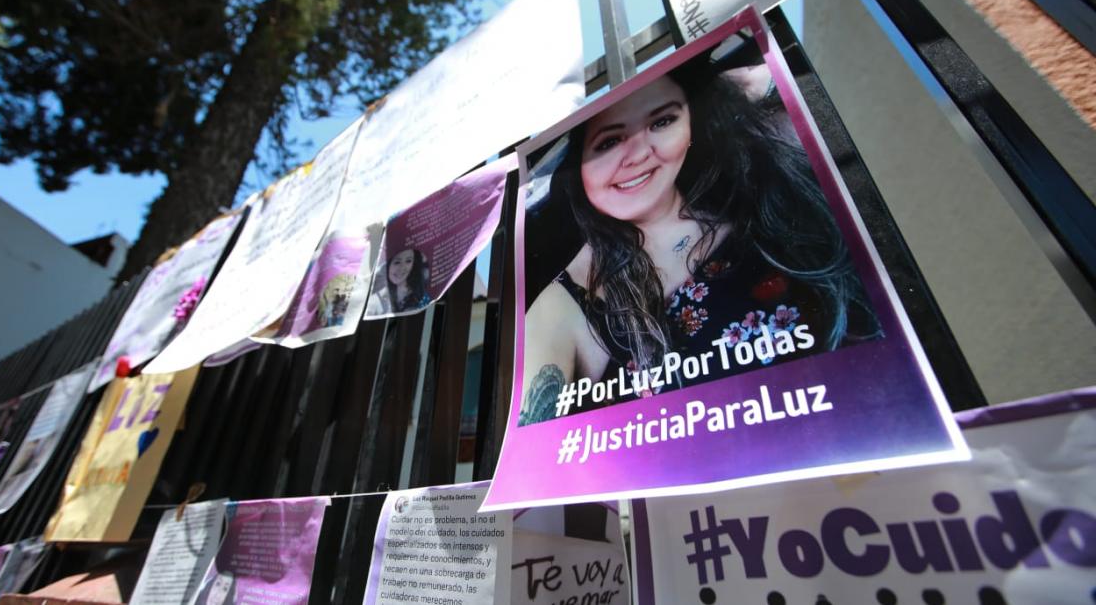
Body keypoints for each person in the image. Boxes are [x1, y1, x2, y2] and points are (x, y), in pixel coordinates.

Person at [519, 60, 878, 426]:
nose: (640, 153)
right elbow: (528, 460)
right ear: (579, 165)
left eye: (662, 122)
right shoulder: (562, 309)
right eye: (609, 142)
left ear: (690, 127)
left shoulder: (768, 200)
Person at [374, 248, 431, 314]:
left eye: (408, 261)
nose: (402, 267)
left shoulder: (421, 296)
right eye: (397, 262)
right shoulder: (376, 294)